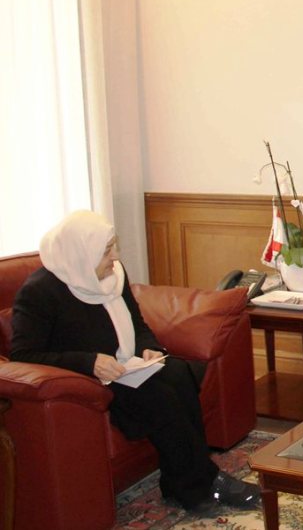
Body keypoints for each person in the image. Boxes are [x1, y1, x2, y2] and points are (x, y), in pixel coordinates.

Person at [10, 211, 260, 513]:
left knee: (180, 373)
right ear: (81, 254)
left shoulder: (114, 275)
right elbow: (23, 355)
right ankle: (200, 485)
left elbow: (137, 323)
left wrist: (149, 348)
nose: (115, 256)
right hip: (90, 381)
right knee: (161, 396)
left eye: (113, 246)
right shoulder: (39, 292)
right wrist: (89, 362)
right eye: (106, 251)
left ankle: (179, 481)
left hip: (129, 366)